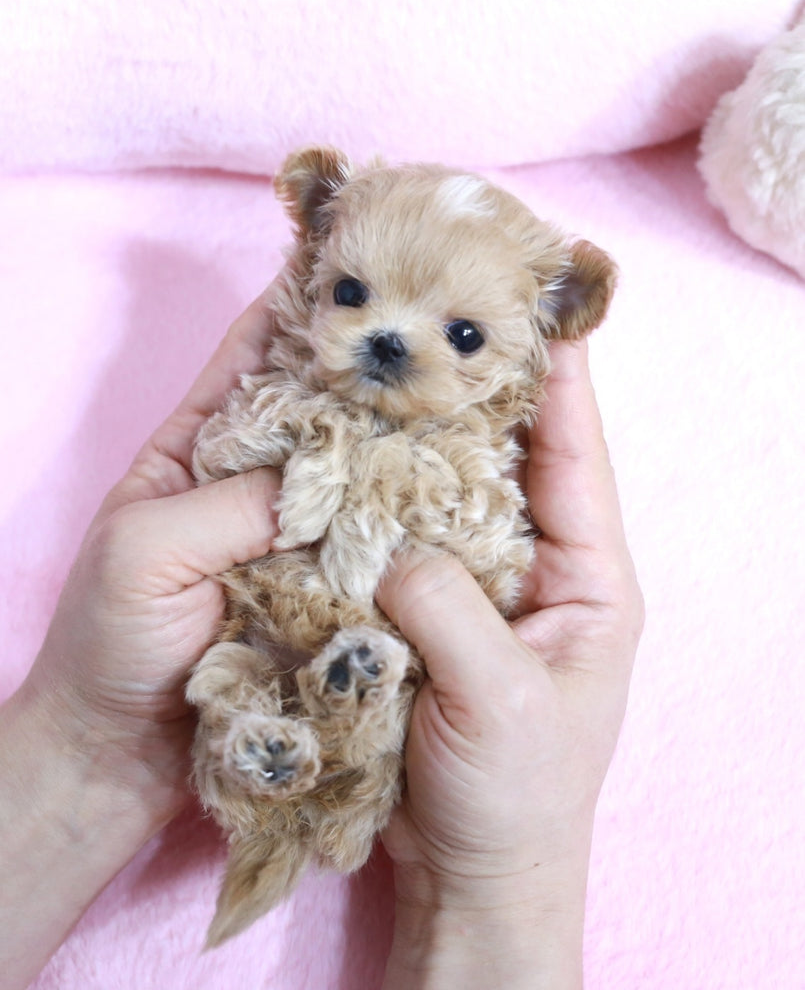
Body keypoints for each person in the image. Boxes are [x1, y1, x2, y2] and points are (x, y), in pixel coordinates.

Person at [0, 285, 643, 990]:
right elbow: (240, 440)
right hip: (263, 624)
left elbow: (483, 526)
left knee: (384, 702)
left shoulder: (481, 454)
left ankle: (340, 722)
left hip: (398, 677)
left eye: (463, 335)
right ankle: (263, 744)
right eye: (352, 293)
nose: (390, 337)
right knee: (234, 672)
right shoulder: (289, 392)